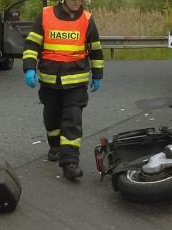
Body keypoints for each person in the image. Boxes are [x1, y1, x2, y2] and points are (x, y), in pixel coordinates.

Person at [22, 0, 104, 179]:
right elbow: (32, 44)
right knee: (51, 117)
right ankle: (55, 145)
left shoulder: (87, 19)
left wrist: (98, 74)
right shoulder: (46, 15)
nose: (77, 1)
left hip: (76, 82)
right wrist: (29, 67)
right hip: (50, 81)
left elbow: (96, 49)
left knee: (72, 120)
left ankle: (70, 162)